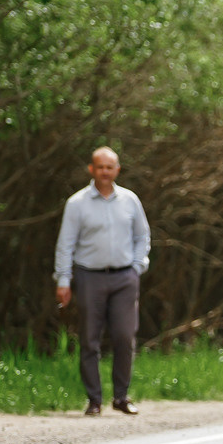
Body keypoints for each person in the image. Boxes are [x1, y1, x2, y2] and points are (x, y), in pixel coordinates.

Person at [53, 146, 151, 416]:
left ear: (117, 170)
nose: (105, 172)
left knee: (124, 336)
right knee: (89, 339)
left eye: (110, 167)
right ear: (91, 169)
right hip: (89, 277)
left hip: (124, 278)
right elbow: (66, 244)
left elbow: (143, 236)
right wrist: (63, 279)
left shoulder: (130, 200)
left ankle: (121, 396)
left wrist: (137, 266)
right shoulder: (77, 203)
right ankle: (94, 400)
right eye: (101, 167)